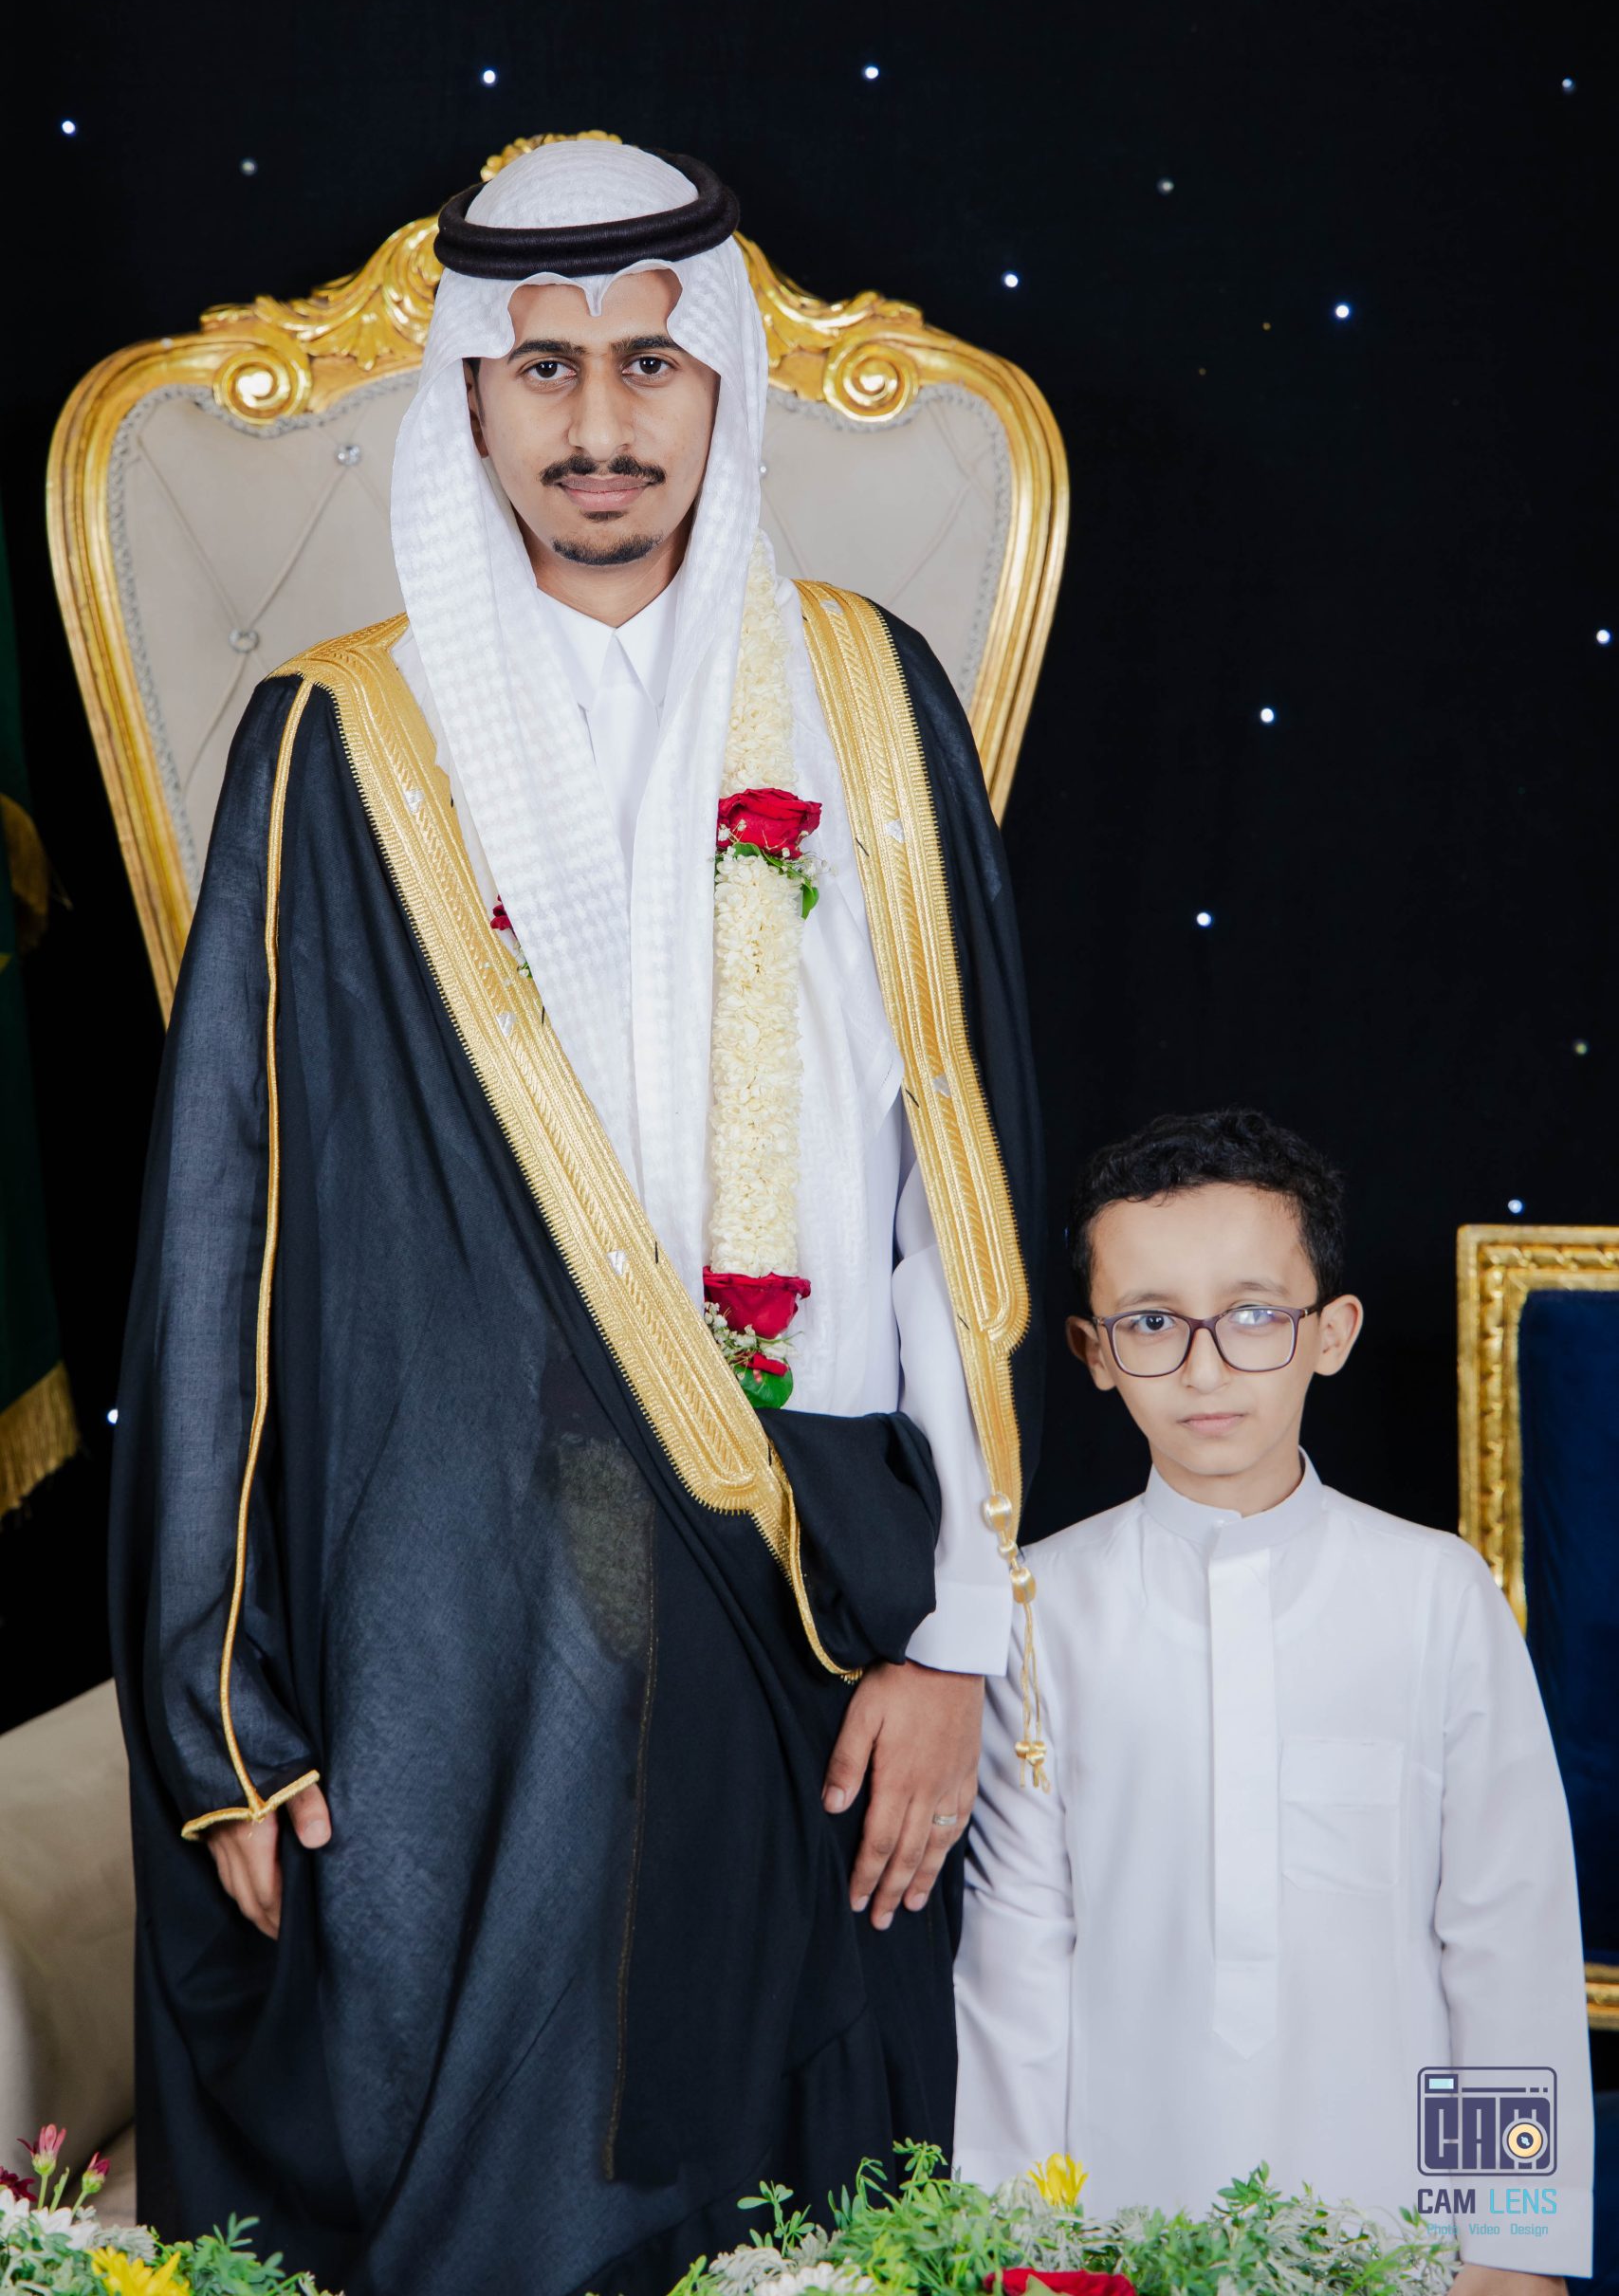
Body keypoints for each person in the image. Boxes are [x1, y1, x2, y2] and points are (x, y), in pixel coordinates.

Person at [109, 139, 1046, 2296]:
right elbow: (220, 1242)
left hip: (816, 1588)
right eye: (542, 367)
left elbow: (959, 1211)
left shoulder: (868, 697)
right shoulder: (341, 738)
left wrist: (952, 1644)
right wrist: (220, 1716)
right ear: (469, 390)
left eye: (647, 362)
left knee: (799, 2204)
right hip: (448, 1614)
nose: (598, 422)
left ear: (721, 381)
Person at [954, 1108, 1592, 2289]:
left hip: (1405, 2235)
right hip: (1117, 2231)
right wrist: (1018, 2250)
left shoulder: (1435, 1592)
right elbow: (1016, 1959)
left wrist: (1510, 2244)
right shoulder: (1036, 1607)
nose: (1205, 1368)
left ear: (1330, 1331)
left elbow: (1505, 1940)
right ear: (1094, 1349)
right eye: (1152, 1322)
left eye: (1253, 1314)